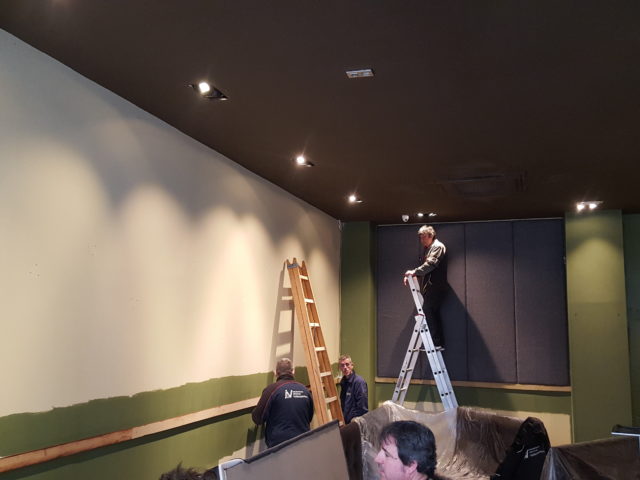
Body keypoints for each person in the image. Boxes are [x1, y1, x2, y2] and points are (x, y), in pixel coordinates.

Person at [251, 358, 314, 448]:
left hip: (280, 447)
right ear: (293, 371)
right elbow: (309, 416)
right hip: (303, 442)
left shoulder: (271, 390)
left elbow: (258, 418)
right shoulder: (304, 390)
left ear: (276, 373)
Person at [403, 225, 447, 350]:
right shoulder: (429, 249)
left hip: (436, 286)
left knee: (428, 311)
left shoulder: (437, 247)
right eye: (420, 238)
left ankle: (436, 343)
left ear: (431, 236)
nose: (421, 240)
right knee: (431, 312)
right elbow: (426, 268)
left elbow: (430, 265)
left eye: (423, 237)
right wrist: (413, 275)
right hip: (431, 286)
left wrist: (414, 272)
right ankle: (437, 343)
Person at [338, 354, 369, 423]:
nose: (345, 367)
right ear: (340, 368)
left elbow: (362, 407)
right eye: (342, 365)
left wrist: (356, 421)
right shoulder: (343, 382)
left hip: (356, 422)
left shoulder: (359, 382)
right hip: (346, 421)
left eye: (347, 364)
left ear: (352, 365)